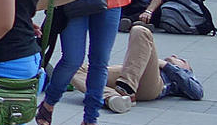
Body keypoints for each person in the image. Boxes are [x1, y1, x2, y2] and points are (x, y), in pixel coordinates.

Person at [71, 25, 203, 113]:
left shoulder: (182, 74)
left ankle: (126, 88)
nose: (174, 55)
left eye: (181, 60)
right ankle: (112, 98)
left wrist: (167, 66)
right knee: (72, 68)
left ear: (187, 68)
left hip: (152, 85)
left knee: (140, 31)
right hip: (125, 75)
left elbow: (197, 93)